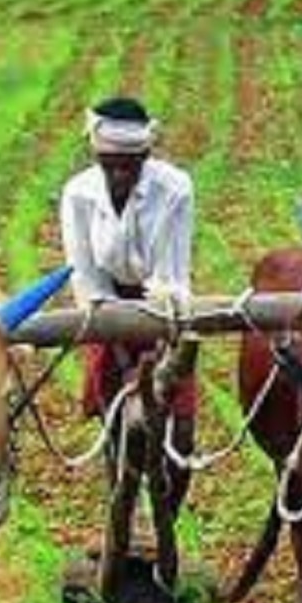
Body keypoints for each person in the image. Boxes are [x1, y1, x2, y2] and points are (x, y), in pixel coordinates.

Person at [59, 96, 198, 518]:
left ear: (146, 156)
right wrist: (110, 329)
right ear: (96, 155)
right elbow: (84, 273)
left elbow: (170, 274)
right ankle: (121, 505)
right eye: (110, 163)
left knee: (181, 429)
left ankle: (165, 519)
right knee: (114, 418)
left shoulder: (174, 188)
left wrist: (159, 343)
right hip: (105, 306)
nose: (120, 172)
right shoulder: (79, 194)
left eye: (130, 164)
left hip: (164, 305)